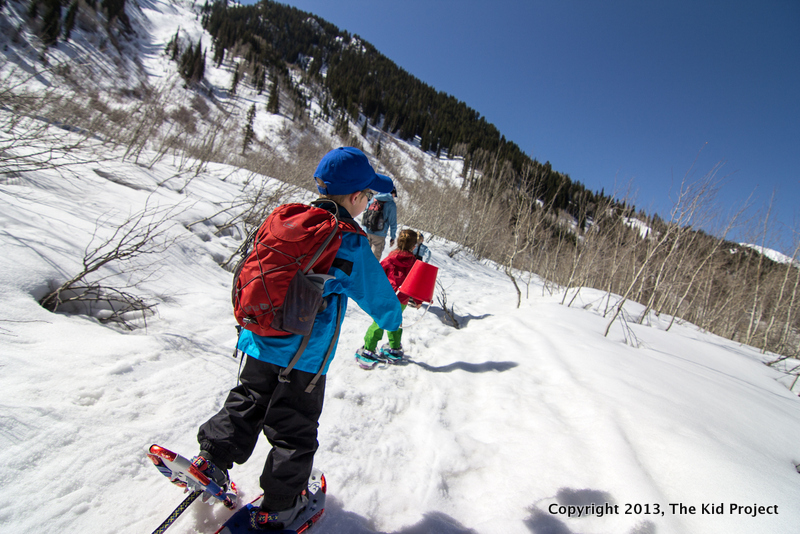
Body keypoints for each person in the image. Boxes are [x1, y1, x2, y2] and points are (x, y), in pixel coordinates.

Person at [194, 147, 403, 530]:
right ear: (356, 197)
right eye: (368, 196)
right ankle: (282, 505)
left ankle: (211, 460)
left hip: (258, 338)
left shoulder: (288, 219)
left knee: (248, 398)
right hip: (304, 357)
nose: (368, 203)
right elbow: (381, 300)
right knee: (293, 427)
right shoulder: (347, 240)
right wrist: (393, 319)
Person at [356, 228, 420, 368]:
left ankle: (369, 349)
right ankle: (394, 348)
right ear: (414, 246)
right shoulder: (414, 263)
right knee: (395, 321)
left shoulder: (390, 258)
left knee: (379, 322)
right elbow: (416, 283)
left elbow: (377, 273)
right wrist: (418, 301)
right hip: (401, 300)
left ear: (398, 242)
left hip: (386, 297)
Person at [364, 188, 398, 259]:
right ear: (392, 193)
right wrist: (392, 237)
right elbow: (393, 223)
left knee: (363, 256)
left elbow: (366, 212)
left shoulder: (374, 198)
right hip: (379, 234)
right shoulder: (391, 204)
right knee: (374, 259)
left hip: (366, 231)